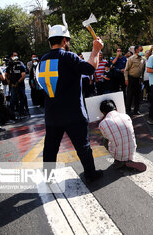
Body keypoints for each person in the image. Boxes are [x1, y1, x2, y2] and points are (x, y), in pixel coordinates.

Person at [38, 16, 103, 182]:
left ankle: (48, 177)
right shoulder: (68, 56)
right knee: (83, 146)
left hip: (52, 114)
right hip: (73, 113)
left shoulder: (43, 60)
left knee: (50, 148)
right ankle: (90, 174)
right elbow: (89, 69)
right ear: (65, 40)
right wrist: (95, 50)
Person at [98, 99, 146, 172]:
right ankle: (128, 160)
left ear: (103, 112)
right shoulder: (126, 116)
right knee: (126, 136)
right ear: (116, 108)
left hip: (118, 154)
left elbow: (107, 138)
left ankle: (119, 161)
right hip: (132, 149)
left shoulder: (103, 124)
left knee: (104, 140)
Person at [5, 52, 29, 117]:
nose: (16, 57)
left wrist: (17, 82)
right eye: (14, 56)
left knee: (22, 98)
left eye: (16, 56)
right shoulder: (9, 67)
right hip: (13, 86)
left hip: (20, 85)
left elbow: (23, 76)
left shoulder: (20, 65)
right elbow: (6, 75)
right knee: (13, 99)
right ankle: (12, 113)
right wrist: (9, 82)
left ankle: (22, 111)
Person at [124, 45, 146, 115]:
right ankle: (128, 110)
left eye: (142, 50)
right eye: (140, 50)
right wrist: (126, 79)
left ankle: (136, 110)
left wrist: (142, 79)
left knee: (138, 96)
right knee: (129, 95)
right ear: (136, 50)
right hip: (131, 79)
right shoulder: (131, 58)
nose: (142, 51)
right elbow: (126, 70)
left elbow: (143, 70)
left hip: (138, 80)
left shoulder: (143, 59)